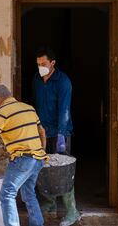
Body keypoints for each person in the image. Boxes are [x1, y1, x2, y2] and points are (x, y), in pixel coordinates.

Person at [0, 84, 48, 226]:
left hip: (23, 159)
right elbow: (42, 131)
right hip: (37, 159)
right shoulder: (28, 108)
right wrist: (41, 152)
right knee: (29, 194)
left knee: (7, 194)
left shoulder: (1, 111)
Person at [32, 47, 80, 226]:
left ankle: (72, 212)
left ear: (52, 63)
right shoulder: (36, 80)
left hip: (60, 133)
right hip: (41, 132)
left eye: (43, 64)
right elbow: (35, 104)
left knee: (64, 172)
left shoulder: (63, 82)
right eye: (38, 64)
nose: (40, 67)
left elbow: (64, 110)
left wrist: (61, 135)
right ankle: (50, 204)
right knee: (44, 169)